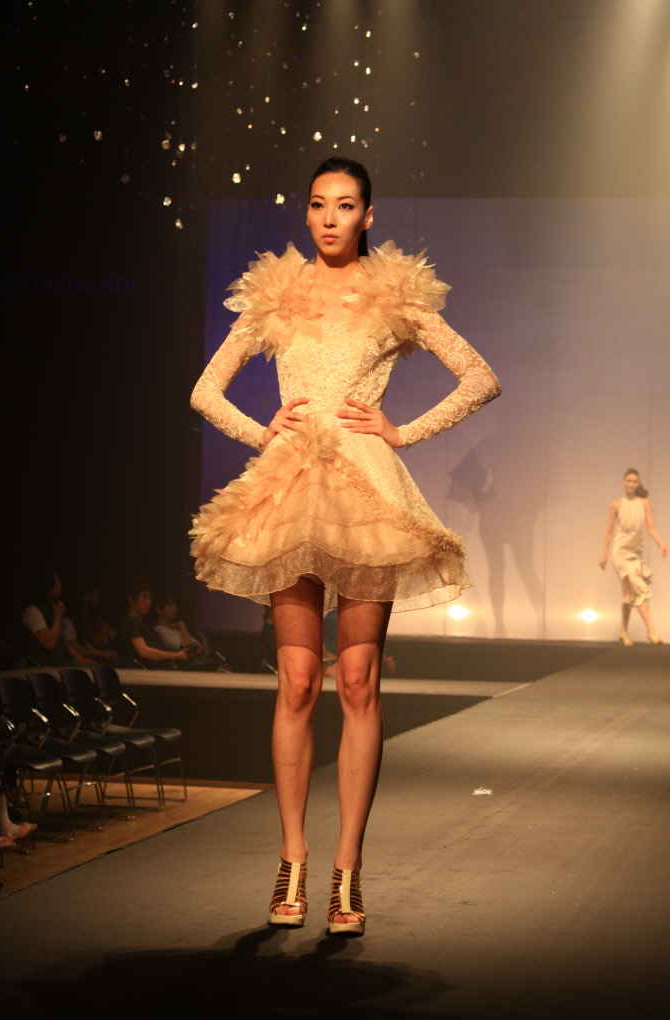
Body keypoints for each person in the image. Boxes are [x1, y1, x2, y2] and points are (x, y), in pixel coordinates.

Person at [189, 156, 501, 934]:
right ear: (306, 214)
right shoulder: (276, 293)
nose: (331, 217)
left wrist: (403, 431)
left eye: (346, 205)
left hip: (366, 493)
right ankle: (291, 859)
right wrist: (260, 432)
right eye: (320, 205)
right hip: (293, 488)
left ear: (368, 216)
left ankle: (347, 871)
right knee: (297, 681)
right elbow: (204, 389)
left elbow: (478, 377)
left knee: (358, 681)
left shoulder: (395, 294)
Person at [599, 468, 667, 645]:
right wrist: (604, 554)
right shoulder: (616, 505)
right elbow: (609, 531)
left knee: (629, 592)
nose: (631, 484)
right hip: (621, 551)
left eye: (634, 481)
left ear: (638, 484)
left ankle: (623, 631)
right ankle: (651, 631)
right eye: (628, 481)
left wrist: (661, 544)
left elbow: (650, 527)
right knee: (636, 588)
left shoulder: (644, 503)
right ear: (623, 483)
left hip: (636, 550)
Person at [21, 569, 95, 667]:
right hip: (47, 663)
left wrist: (81, 659)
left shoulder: (50, 608)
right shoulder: (32, 611)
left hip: (61, 661)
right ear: (48, 584)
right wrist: (58, 616)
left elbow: (61, 642)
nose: (60, 584)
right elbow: (50, 644)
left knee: (98, 669)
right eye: (57, 581)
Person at [119, 577, 189, 668]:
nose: (149, 602)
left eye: (150, 598)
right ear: (132, 599)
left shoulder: (141, 624)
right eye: (145, 598)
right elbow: (143, 651)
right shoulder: (131, 622)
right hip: (151, 673)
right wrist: (175, 655)